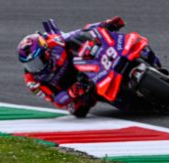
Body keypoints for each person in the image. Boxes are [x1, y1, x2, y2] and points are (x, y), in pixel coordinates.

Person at [17, 16, 161, 117]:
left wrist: (106, 24)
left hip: (86, 64)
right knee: (79, 110)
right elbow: (56, 100)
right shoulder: (32, 80)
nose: (35, 67)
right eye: (30, 64)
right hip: (77, 87)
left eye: (37, 61)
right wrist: (72, 93)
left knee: (125, 42)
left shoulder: (54, 42)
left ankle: (151, 62)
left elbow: (80, 32)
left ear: (46, 51)